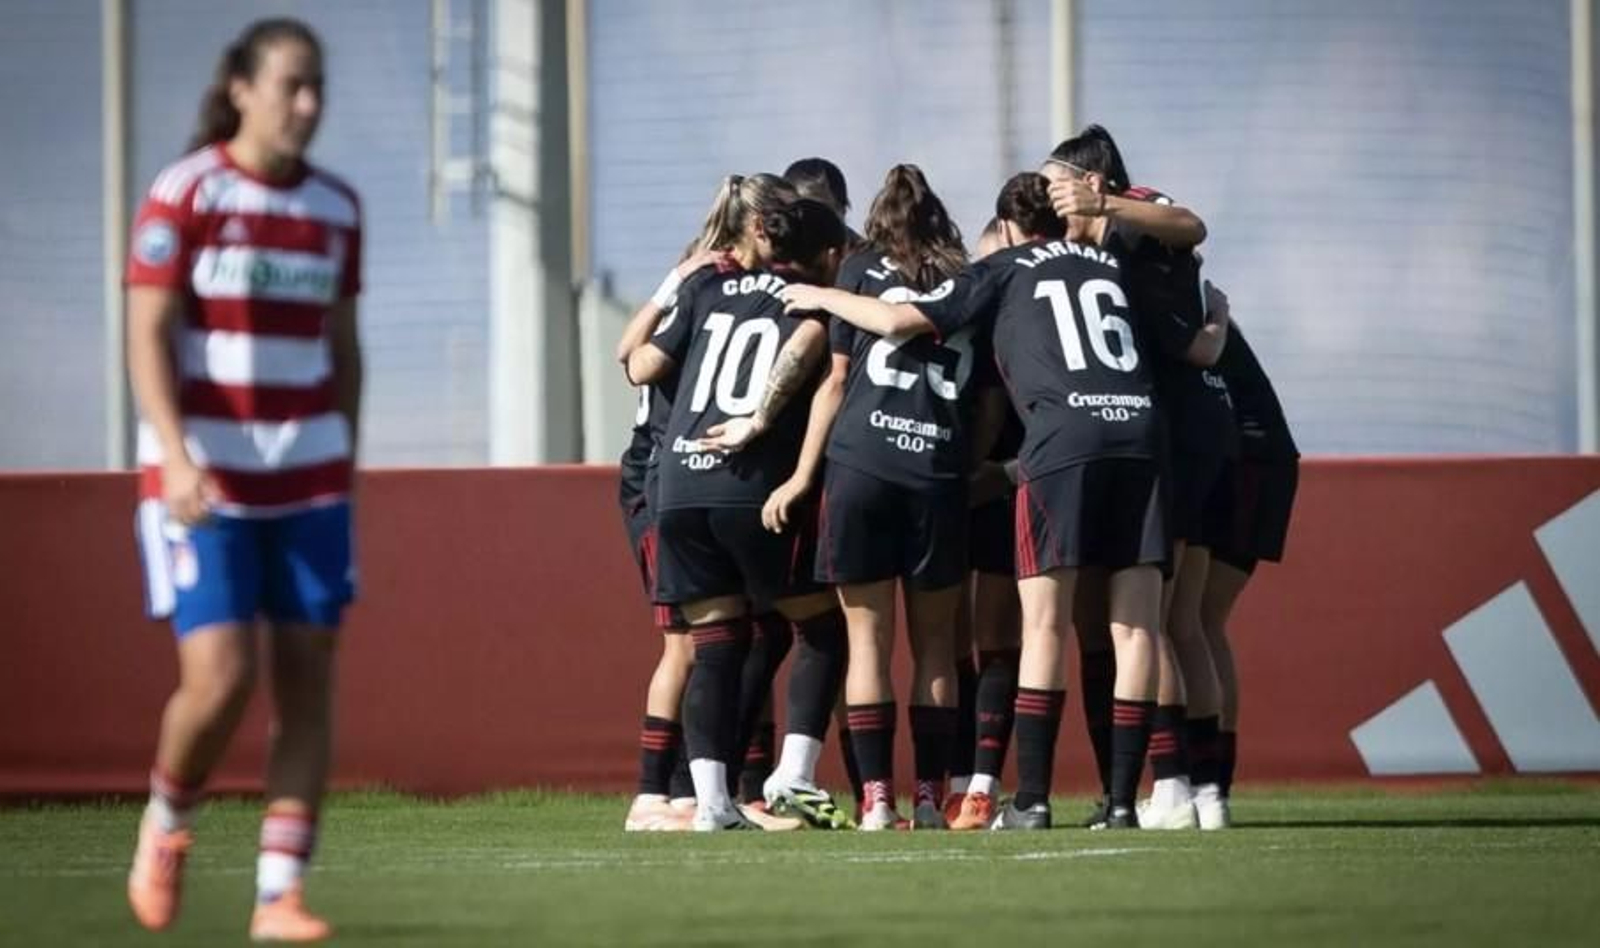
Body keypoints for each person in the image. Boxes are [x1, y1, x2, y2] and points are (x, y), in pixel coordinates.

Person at [781, 172, 1206, 829]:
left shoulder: (1004, 267)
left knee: (1041, 625)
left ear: (1007, 226)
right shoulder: (1112, 259)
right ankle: (1124, 801)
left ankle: (1031, 798)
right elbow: (1191, 248)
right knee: (1136, 627)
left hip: (1058, 440)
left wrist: (819, 294)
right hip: (1142, 437)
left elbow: (898, 320)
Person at [125, 18, 359, 941]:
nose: (306, 105)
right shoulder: (184, 193)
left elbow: (343, 350)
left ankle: (278, 896)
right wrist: (175, 452)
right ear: (241, 89)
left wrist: (348, 465)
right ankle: (167, 823)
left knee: (307, 683)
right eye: (291, 85)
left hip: (310, 482)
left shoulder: (337, 208)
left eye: (316, 88)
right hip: (205, 481)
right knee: (220, 681)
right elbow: (146, 333)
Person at [751, 164, 975, 830]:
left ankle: (876, 799)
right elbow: (987, 397)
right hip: (934, 471)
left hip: (861, 471)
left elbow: (835, 383)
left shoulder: (855, 270)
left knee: (867, 644)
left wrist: (798, 475)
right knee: (936, 648)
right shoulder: (966, 276)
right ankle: (932, 798)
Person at [628, 194, 852, 831]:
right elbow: (807, 345)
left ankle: (712, 805)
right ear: (827, 255)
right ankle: (793, 774)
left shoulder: (706, 289)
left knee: (716, 643)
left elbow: (640, 365)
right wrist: (759, 419)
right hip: (744, 485)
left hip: (675, 484)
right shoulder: (812, 298)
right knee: (823, 630)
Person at [1041, 126, 1234, 830]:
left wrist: (1108, 204)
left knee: (1151, 623)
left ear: (1093, 180)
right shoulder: (1089, 249)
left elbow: (1191, 224)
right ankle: (1203, 793)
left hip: (1176, 432)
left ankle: (1181, 784)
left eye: (1058, 183)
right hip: (1162, 428)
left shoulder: (1140, 212)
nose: (1052, 198)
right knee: (1177, 622)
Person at [1201, 321, 1300, 824]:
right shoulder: (1189, 292)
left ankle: (1198, 787)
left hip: (1244, 459)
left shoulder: (1160, 291)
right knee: (1201, 623)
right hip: (1258, 457)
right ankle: (1212, 790)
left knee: (1189, 622)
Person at [948, 218, 1024, 831]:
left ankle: (980, 785)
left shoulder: (1027, 318)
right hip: (954, 490)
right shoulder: (965, 316)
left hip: (1001, 487)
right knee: (949, 645)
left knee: (997, 641)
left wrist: (997, 470)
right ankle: (958, 783)